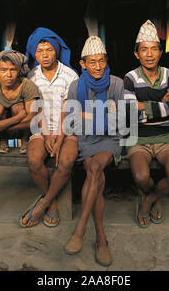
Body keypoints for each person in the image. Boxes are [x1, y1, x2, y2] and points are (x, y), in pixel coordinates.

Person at [63, 36, 125, 267]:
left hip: (111, 139)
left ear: (106, 61)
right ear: (83, 64)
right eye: (92, 62)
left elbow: (120, 121)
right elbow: (71, 121)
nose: (98, 66)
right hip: (86, 140)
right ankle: (101, 238)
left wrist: (86, 115)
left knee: (96, 168)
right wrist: (100, 116)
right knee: (94, 174)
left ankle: (80, 229)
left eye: (102, 61)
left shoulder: (117, 84)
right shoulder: (75, 86)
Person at [123, 20, 169, 228]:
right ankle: (151, 194)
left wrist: (144, 107)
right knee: (141, 177)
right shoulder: (130, 78)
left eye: (154, 49)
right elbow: (130, 112)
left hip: (165, 135)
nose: (149, 54)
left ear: (160, 52)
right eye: (144, 50)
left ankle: (149, 200)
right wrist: (160, 105)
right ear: (136, 54)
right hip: (137, 137)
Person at [19, 28, 79, 228]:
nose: (44, 55)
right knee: (34, 160)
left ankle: (43, 203)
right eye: (39, 50)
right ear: (34, 53)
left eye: (49, 50)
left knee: (67, 161)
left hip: (67, 129)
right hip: (41, 129)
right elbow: (35, 109)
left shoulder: (70, 75)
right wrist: (46, 137)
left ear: (57, 50)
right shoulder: (31, 76)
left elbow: (68, 110)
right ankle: (52, 202)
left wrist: (60, 137)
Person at [0, 50, 40, 153]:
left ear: (18, 71)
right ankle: (3, 142)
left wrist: (1, 126)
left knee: (18, 107)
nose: (9, 74)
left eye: (13, 70)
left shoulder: (27, 85)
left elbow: (32, 119)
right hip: (9, 127)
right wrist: (18, 117)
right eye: (3, 70)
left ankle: (25, 141)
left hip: (22, 129)